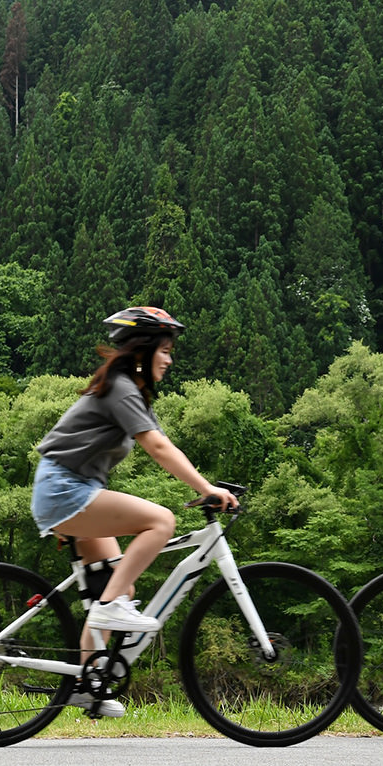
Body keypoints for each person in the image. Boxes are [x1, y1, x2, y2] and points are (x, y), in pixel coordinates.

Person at [30, 305, 238, 716]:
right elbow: (157, 447)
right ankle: (108, 612)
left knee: (117, 586)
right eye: (164, 349)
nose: (170, 358)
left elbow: (164, 441)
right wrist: (206, 487)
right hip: (64, 489)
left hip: (73, 488)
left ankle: (90, 684)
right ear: (143, 350)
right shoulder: (121, 387)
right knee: (161, 521)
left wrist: (206, 485)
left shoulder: (131, 392)